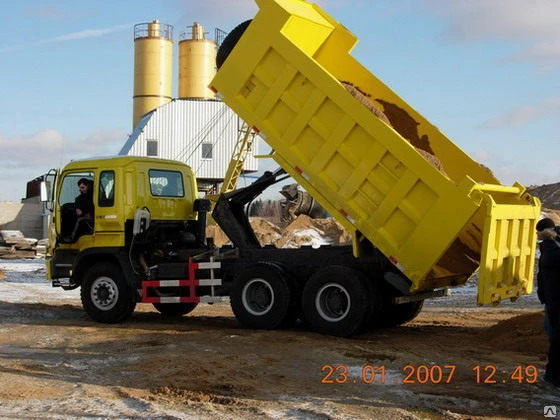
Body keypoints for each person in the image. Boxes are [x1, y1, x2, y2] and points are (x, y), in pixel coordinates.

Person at [536, 217, 560, 387]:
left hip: (555, 302)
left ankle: (553, 377)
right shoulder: (552, 247)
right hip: (552, 301)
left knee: (556, 339)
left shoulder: (551, 250)